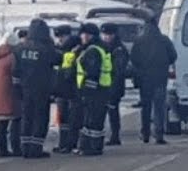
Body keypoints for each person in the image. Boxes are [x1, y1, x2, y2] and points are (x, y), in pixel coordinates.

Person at [14, 19, 62, 158]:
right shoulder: (47, 49)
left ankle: (25, 147)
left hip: (25, 88)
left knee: (27, 117)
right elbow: (58, 59)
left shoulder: (20, 49)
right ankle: (36, 148)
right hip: (42, 88)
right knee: (40, 117)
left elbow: (15, 70)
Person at [130, 20, 177, 145]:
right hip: (160, 78)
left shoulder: (139, 41)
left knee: (146, 107)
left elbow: (133, 59)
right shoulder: (164, 40)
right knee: (159, 107)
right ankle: (159, 134)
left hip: (144, 79)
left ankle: (145, 133)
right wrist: (164, 64)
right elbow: (173, 56)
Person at [75, 22, 113, 156]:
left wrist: (86, 92)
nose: (82, 37)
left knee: (91, 119)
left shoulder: (93, 51)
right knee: (96, 119)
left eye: (84, 34)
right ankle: (95, 146)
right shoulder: (100, 48)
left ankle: (89, 147)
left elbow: (92, 72)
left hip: (94, 91)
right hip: (102, 89)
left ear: (89, 35)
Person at [52, 24, 82, 153]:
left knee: (73, 117)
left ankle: (71, 143)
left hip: (73, 87)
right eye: (58, 37)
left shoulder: (75, 49)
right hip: (61, 87)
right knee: (63, 118)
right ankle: (63, 143)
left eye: (62, 37)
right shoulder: (57, 49)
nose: (59, 39)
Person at [100, 23, 131, 146]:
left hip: (114, 86)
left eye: (109, 34)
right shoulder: (103, 47)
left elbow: (119, 70)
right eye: (104, 34)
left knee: (113, 112)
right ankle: (108, 135)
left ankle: (115, 136)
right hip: (104, 85)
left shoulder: (118, 49)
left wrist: (113, 86)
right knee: (105, 111)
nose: (106, 37)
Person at [0, 37, 21, 157]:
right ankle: (16, 148)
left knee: (2, 122)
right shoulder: (12, 57)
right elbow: (16, 73)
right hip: (9, 90)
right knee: (16, 120)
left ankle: (2, 149)